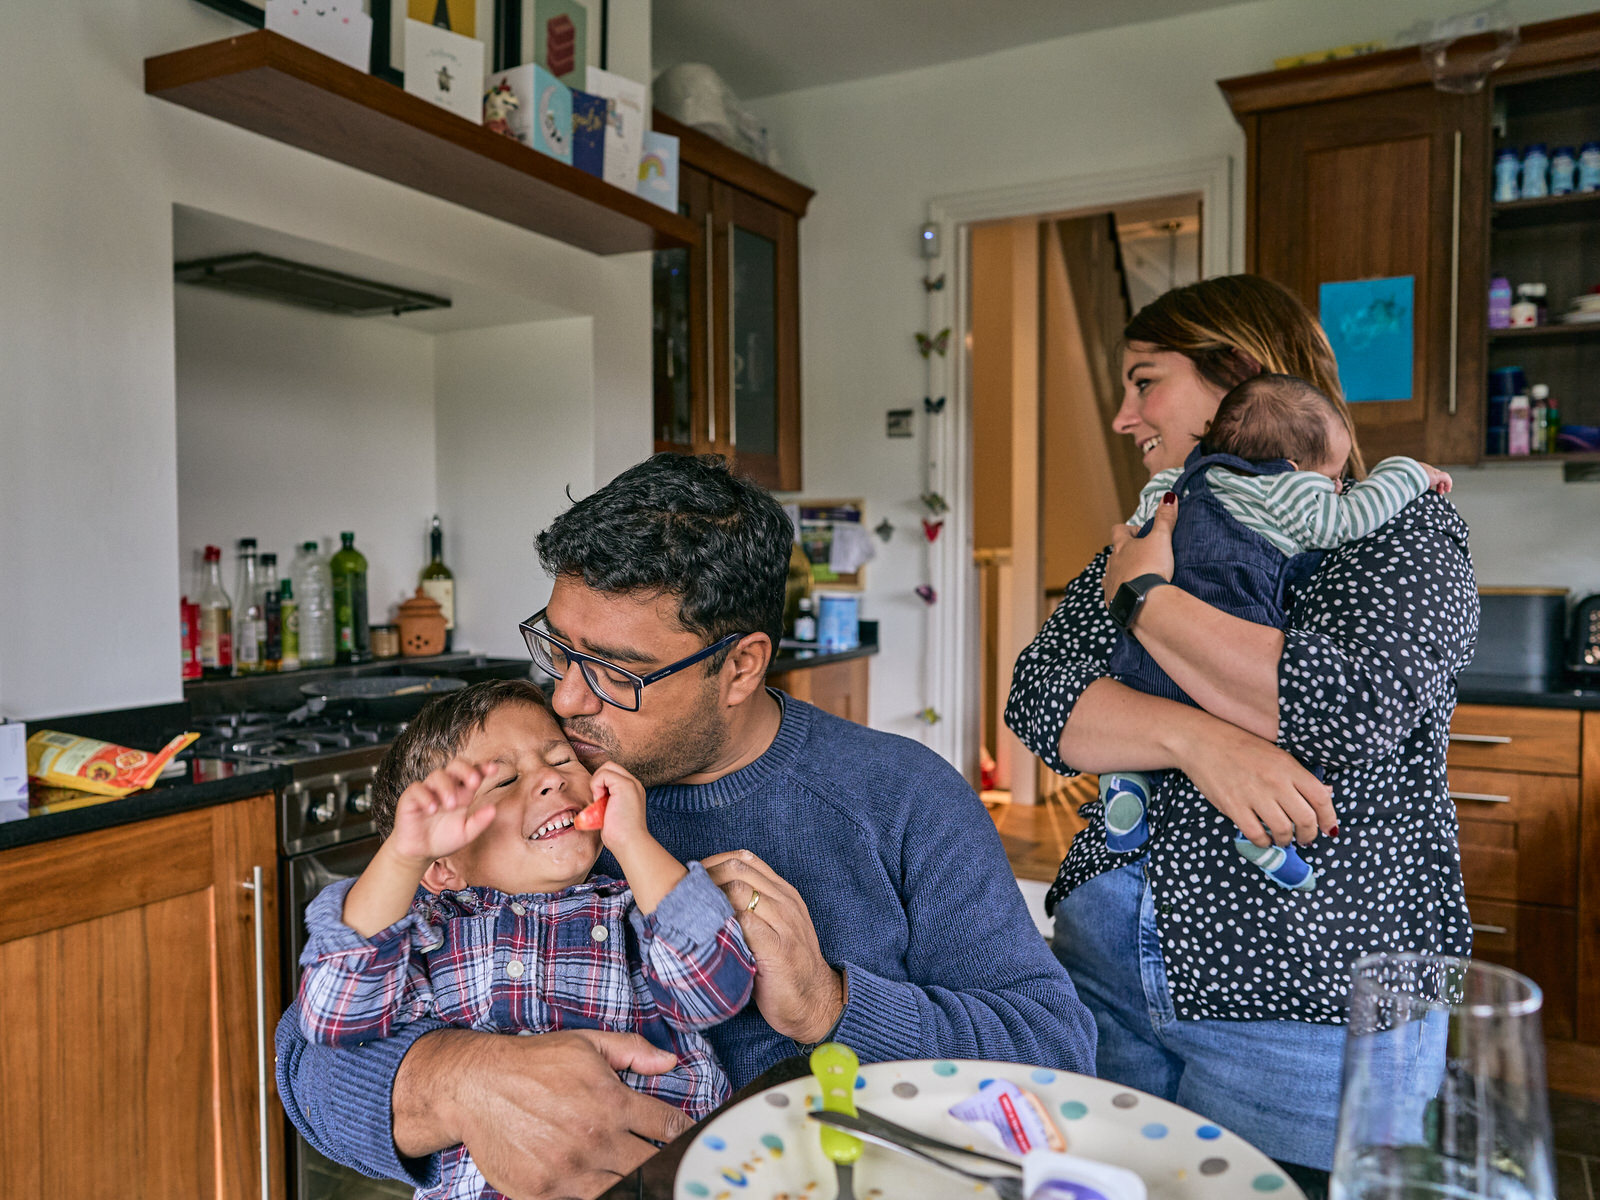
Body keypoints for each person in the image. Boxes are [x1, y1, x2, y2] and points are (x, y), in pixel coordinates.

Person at [278, 452, 1097, 1200]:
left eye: (616, 673)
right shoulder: (521, 798)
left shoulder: (900, 797)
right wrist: (456, 1082)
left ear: (739, 665)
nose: (567, 700)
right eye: (558, 651)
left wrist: (830, 1005)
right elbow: (308, 1059)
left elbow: (1057, 1056)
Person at [1006, 275, 1477, 1176]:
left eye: (1145, 381)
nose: (1122, 416)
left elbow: (1341, 713)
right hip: (1107, 966)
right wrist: (1202, 741)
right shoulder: (1155, 521)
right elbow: (1042, 700)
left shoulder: (1390, 529)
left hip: (1319, 989)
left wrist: (1141, 599)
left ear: (1239, 374)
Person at [296, 680, 757, 1200]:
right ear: (443, 866)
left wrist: (634, 842)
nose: (547, 781)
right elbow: (333, 1013)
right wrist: (403, 858)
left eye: (561, 759)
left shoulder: (638, 908)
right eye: (504, 780)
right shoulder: (428, 938)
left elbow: (717, 989)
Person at [1098, 372, 1454, 895]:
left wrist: (1140, 589)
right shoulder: (1285, 492)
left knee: (1143, 728)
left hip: (1141, 660)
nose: (1335, 485)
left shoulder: (1172, 484)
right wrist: (1406, 471)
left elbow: (1133, 539)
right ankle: (1263, 839)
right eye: (1330, 475)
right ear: (1291, 469)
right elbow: (1346, 521)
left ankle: (1122, 782)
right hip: (1222, 656)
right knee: (1272, 750)